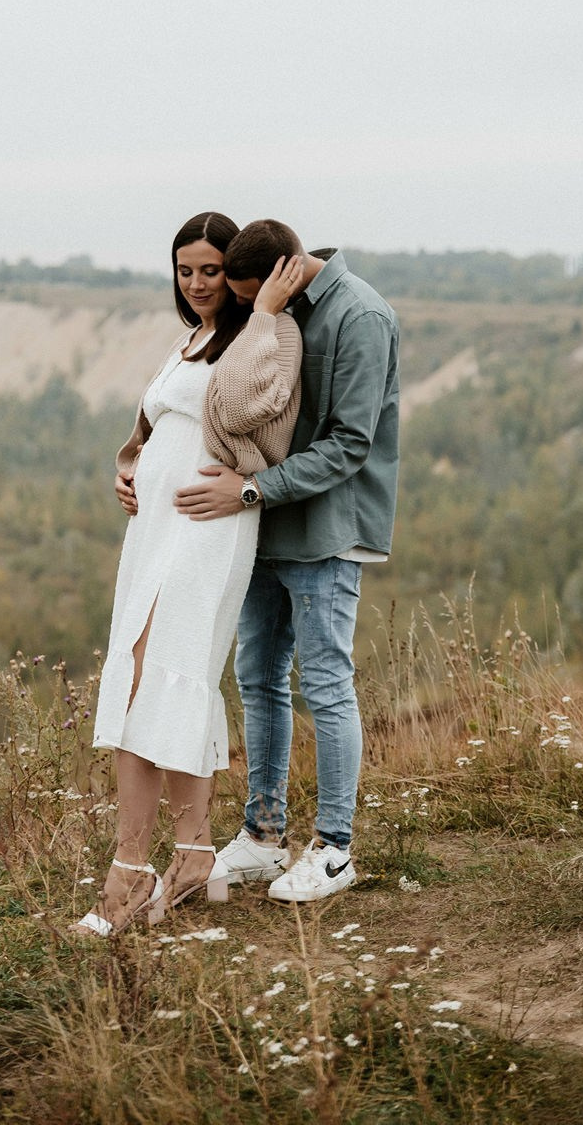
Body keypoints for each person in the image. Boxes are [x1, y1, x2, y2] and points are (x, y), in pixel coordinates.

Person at [72, 212, 303, 937]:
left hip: (209, 524)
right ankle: (195, 853)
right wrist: (128, 465)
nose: (198, 284)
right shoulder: (192, 339)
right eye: (185, 270)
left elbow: (236, 409)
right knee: (149, 676)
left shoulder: (271, 337)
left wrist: (264, 313)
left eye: (210, 270)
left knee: (165, 673)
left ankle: (131, 868)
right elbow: (153, 422)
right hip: (156, 527)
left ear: (237, 275)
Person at [174, 219, 400, 902]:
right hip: (263, 526)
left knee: (325, 682)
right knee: (257, 677)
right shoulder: (275, 306)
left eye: (248, 296)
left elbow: (350, 443)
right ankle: (264, 838)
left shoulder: (360, 315)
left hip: (324, 530)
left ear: (287, 269)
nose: (241, 306)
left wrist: (250, 488)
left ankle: (334, 850)